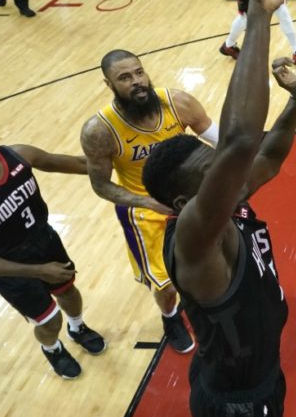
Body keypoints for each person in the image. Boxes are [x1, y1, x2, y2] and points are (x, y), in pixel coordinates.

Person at [141, 0, 296, 417]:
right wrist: (261, 12)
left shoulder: (220, 204)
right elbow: (243, 141)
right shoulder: (193, 236)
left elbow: (265, 158)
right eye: (207, 166)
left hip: (258, 376)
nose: (222, 166)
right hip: (238, 401)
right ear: (180, 197)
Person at [0, 112, 105, 379]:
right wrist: (38, 271)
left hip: (43, 239)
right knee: (49, 320)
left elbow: (76, 163)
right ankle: (52, 348)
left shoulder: (19, 155)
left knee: (69, 292)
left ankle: (78, 327)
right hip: (7, 265)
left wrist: (125, 161)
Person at [79, 51, 217, 354]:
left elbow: (217, 140)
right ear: (109, 84)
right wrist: (147, 202)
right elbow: (101, 186)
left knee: (212, 259)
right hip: (146, 210)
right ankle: (170, 318)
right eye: (125, 78)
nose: (137, 82)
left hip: (191, 199)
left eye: (139, 73)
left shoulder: (177, 102)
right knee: (166, 283)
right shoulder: (100, 130)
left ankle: (209, 301)